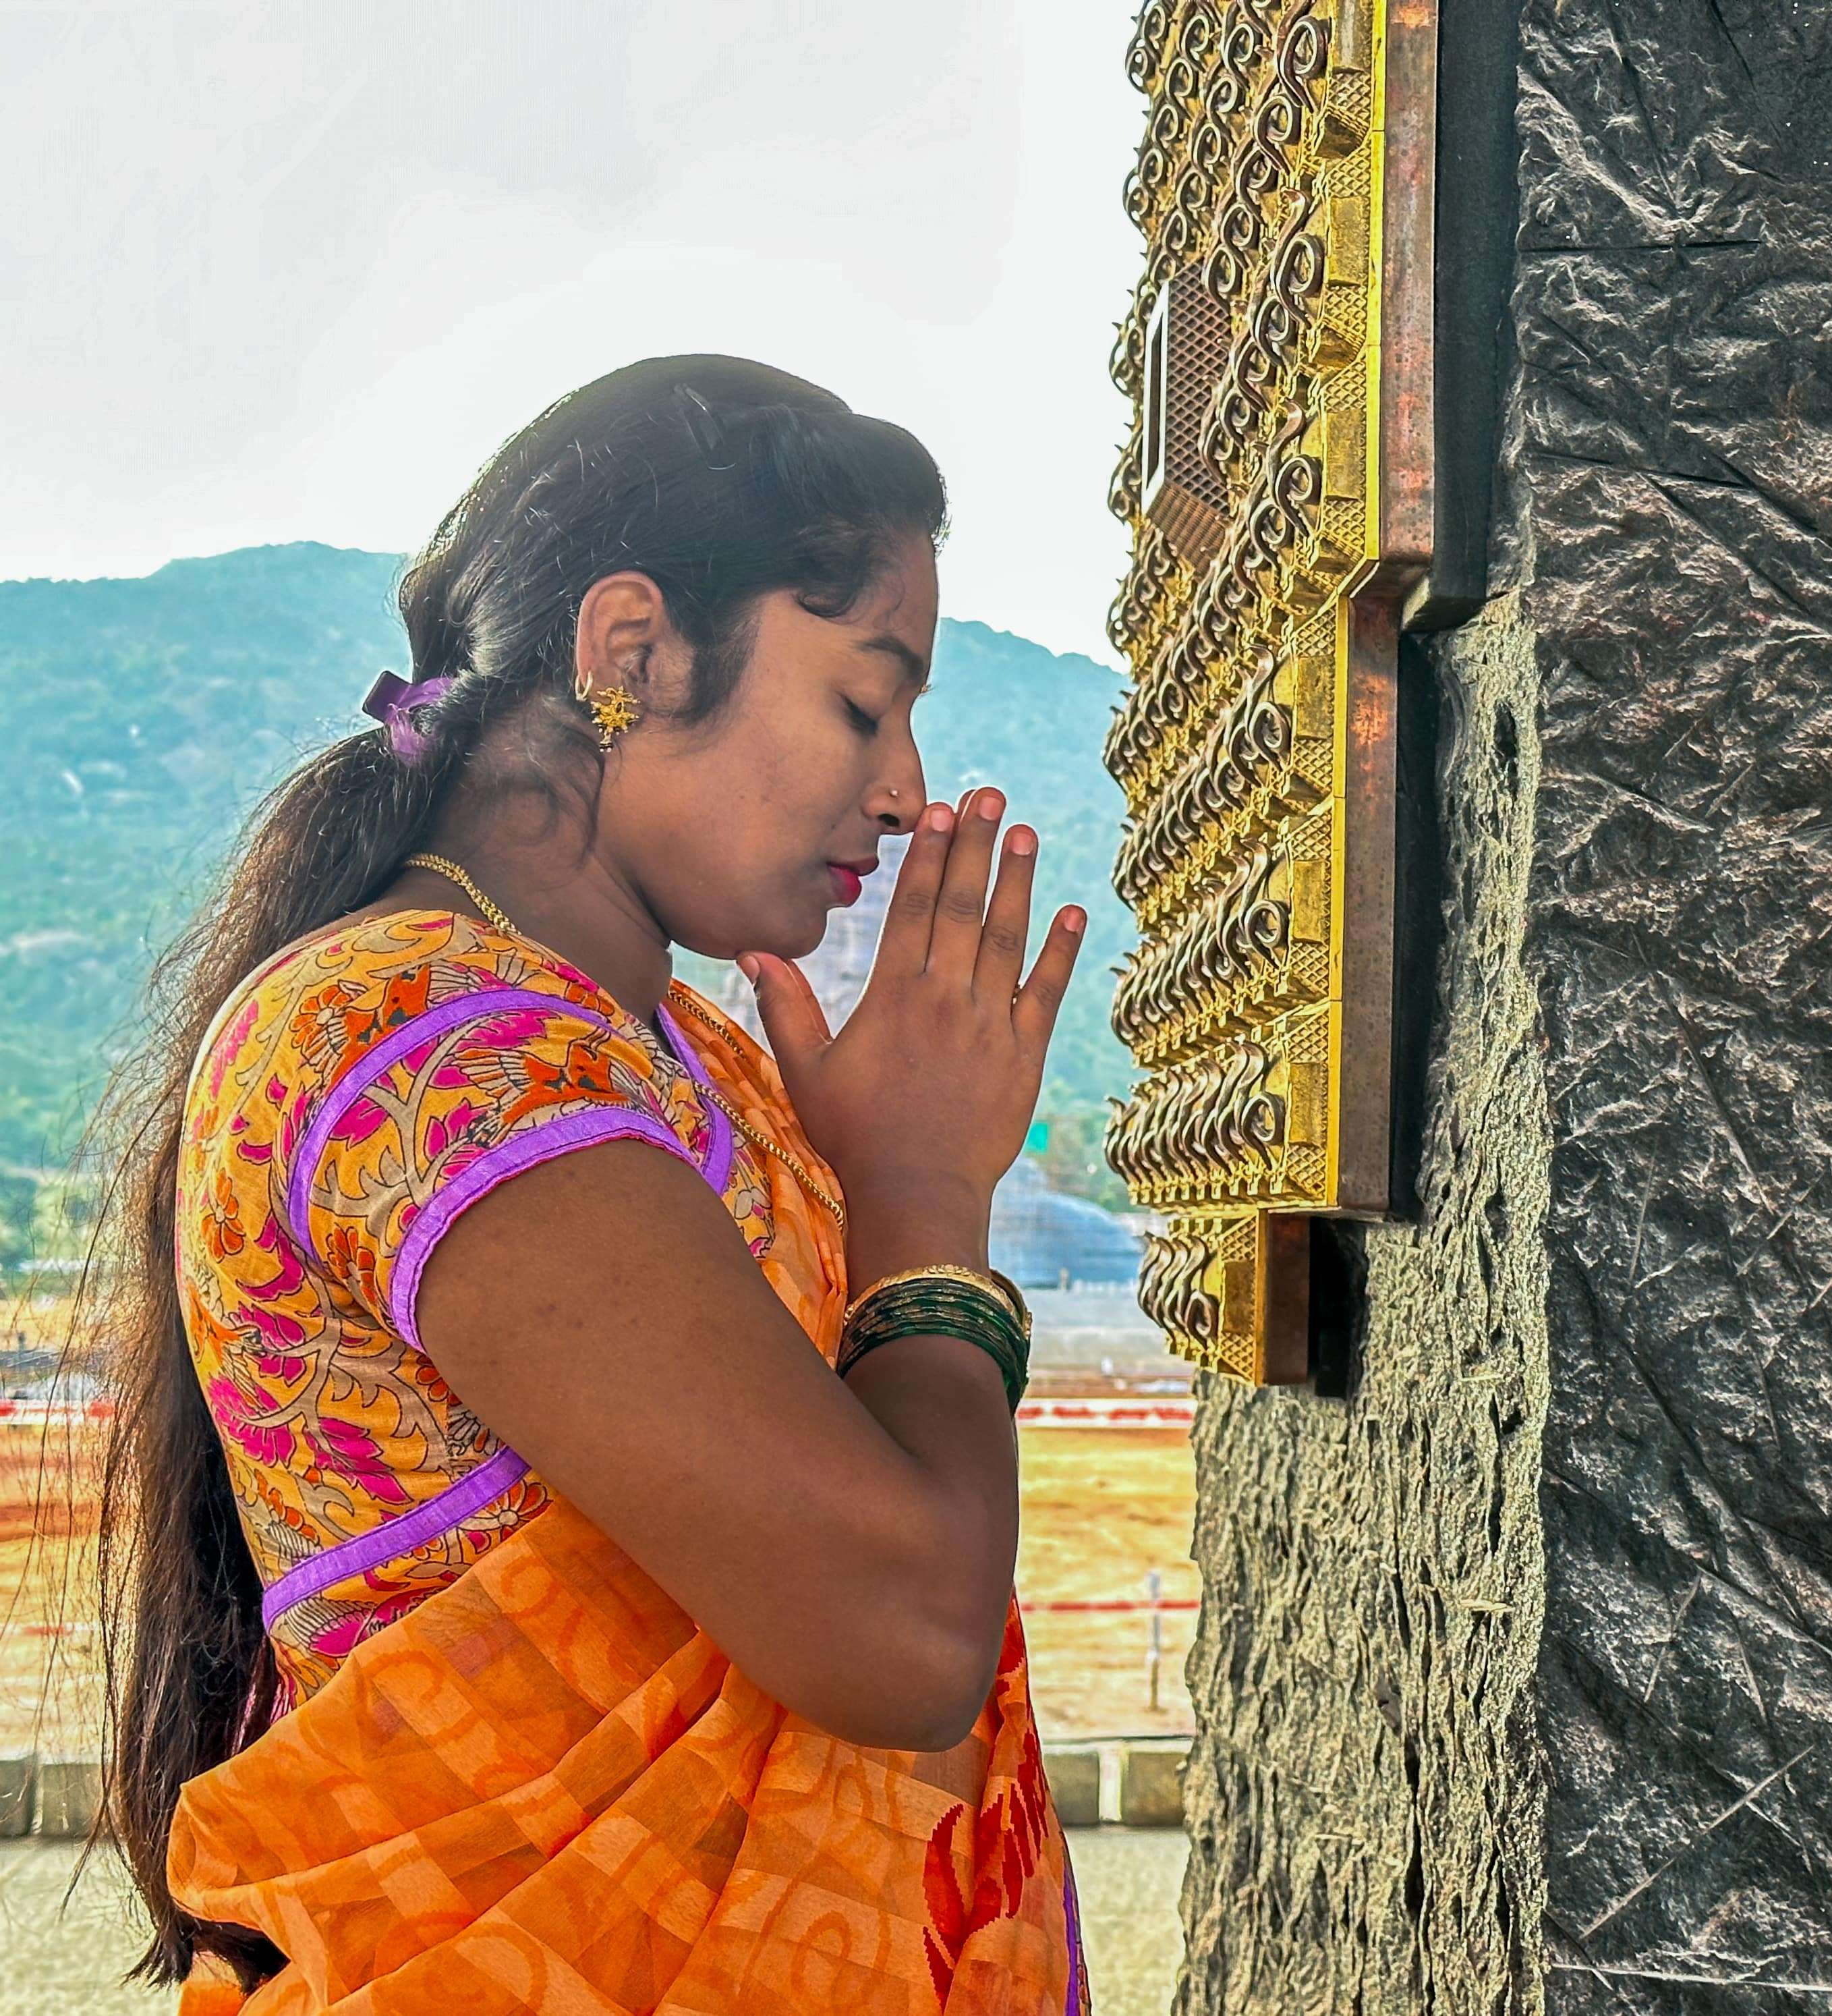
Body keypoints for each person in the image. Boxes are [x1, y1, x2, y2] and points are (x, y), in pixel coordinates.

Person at [80, 356, 1090, 2013]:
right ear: (631, 652)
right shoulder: (420, 1049)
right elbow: (904, 1632)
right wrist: (921, 1200)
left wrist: (873, 1172)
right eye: (863, 701)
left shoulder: (680, 1057)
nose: (905, 789)